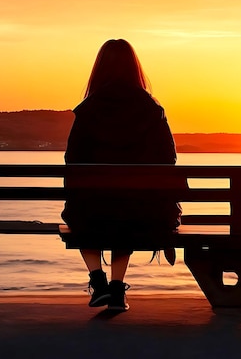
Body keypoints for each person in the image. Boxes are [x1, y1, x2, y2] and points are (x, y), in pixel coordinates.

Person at [62, 39, 181, 311]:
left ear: (99, 69)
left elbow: (72, 160)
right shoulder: (152, 110)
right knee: (127, 209)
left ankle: (98, 281)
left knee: (79, 214)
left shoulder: (87, 111)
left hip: (92, 212)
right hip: (139, 211)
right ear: (134, 68)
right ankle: (116, 288)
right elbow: (169, 159)